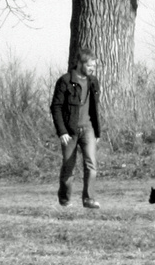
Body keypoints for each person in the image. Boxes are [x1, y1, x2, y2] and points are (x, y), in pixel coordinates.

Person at [50, 54, 102, 208]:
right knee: (68, 166)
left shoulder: (93, 82)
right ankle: (65, 200)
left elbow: (94, 108)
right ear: (80, 63)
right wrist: (62, 132)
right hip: (69, 131)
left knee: (91, 165)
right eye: (89, 65)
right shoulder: (65, 81)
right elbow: (56, 107)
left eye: (94, 66)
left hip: (88, 129)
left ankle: (89, 199)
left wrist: (97, 132)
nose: (92, 69)